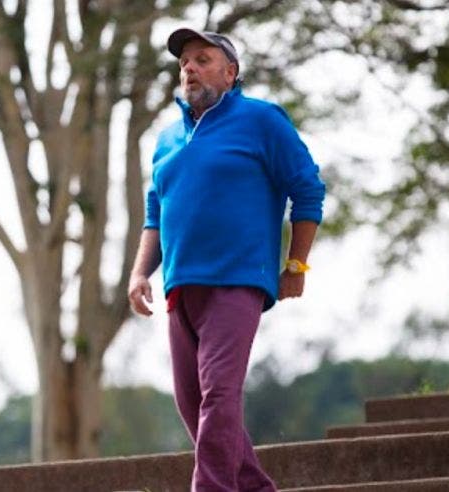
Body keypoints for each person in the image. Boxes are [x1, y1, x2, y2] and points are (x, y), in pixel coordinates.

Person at [128, 28, 325, 492]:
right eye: (184, 63)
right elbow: (155, 214)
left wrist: (295, 265)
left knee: (218, 393)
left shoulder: (262, 121)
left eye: (202, 59)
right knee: (192, 402)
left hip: (238, 281)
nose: (189, 68)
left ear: (230, 72)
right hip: (181, 288)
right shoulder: (167, 139)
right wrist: (140, 273)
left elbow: (308, 189)